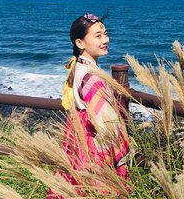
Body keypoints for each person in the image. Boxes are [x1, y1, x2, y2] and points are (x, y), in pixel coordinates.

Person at [47, 13, 129, 198]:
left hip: (79, 137)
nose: (105, 40)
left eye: (105, 34)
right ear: (80, 43)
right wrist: (118, 156)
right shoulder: (92, 76)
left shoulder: (79, 67)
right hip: (94, 143)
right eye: (98, 36)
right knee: (98, 189)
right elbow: (106, 125)